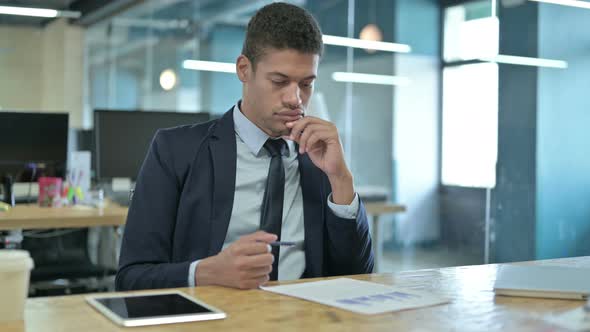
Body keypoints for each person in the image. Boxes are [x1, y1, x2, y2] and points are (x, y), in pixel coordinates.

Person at [116, 2, 373, 291]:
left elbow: (358, 280)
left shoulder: (318, 159)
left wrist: (341, 180)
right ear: (244, 69)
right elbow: (131, 278)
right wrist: (205, 273)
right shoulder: (175, 150)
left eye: (306, 84)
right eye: (279, 81)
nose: (295, 99)